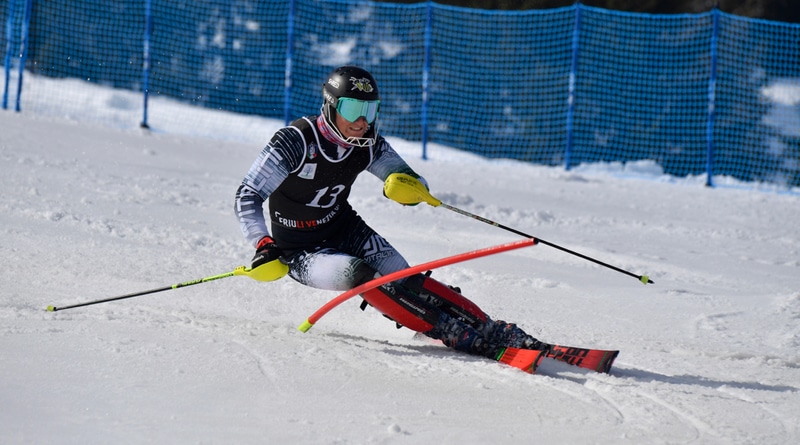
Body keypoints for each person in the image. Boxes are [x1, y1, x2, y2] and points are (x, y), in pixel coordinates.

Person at [234, 65, 550, 361]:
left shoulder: (367, 144)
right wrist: (263, 244)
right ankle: (446, 330)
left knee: (404, 278)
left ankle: (490, 327)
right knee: (361, 276)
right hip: (300, 252)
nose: (362, 121)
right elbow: (248, 195)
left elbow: (407, 177)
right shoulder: (297, 140)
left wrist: (408, 189)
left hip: (344, 228)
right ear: (331, 108)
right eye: (353, 110)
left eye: (370, 111)